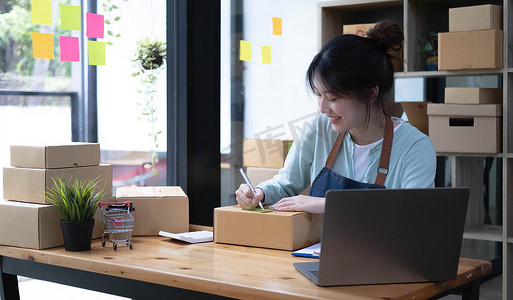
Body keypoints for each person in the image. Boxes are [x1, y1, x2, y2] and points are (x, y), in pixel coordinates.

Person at [235, 21, 436, 214]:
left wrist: (327, 204)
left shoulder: (415, 147)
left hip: (386, 250)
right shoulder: (318, 130)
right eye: (318, 96)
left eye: (333, 97)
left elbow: (413, 213)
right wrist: (259, 193)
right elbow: (285, 184)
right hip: (317, 250)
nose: (323, 108)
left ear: (370, 93)